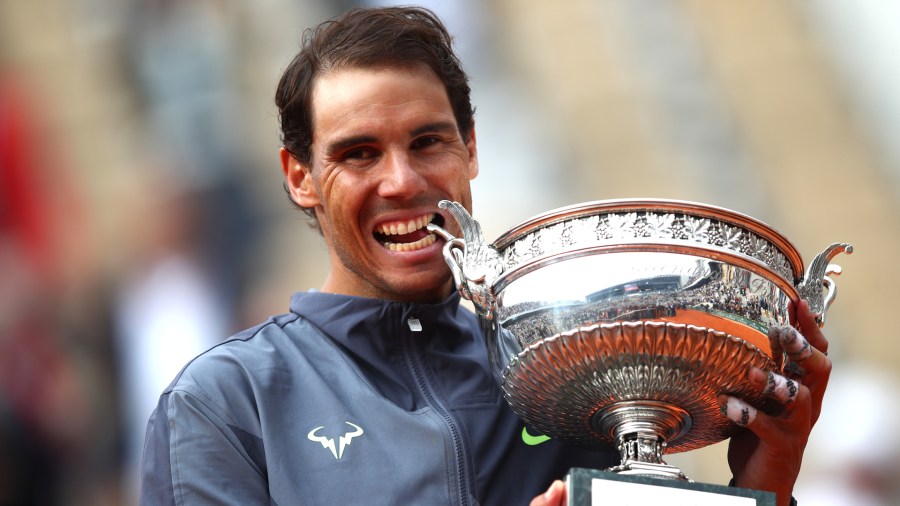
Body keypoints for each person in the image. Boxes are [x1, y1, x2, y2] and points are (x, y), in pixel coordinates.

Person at [140, 6, 830, 506]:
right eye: (359, 154)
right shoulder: (227, 403)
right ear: (299, 178)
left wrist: (765, 483)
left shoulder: (564, 365)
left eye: (428, 142)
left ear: (471, 147)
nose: (402, 181)